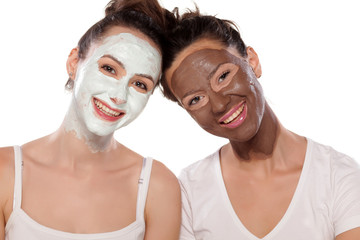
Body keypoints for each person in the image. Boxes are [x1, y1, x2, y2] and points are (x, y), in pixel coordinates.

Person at [160, 7, 360, 240]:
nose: (218, 105)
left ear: (252, 61)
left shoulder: (338, 176)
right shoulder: (188, 192)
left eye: (223, 76)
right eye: (195, 99)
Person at [0, 0, 181, 239]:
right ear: (74, 63)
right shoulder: (5, 172)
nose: (118, 96)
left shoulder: (157, 187)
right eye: (109, 69)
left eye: (139, 84)